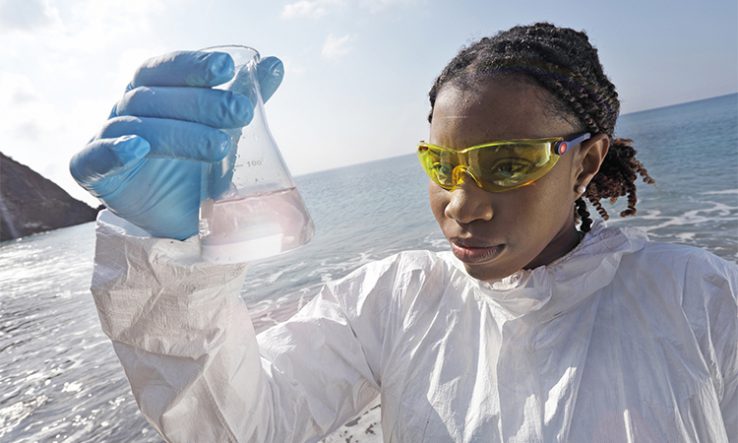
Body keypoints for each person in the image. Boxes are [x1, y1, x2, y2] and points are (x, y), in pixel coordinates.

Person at [70, 23, 737, 442]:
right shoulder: (396, 300)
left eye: (508, 165)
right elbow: (239, 425)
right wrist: (168, 256)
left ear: (585, 163)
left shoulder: (700, 299)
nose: (461, 206)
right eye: (442, 165)